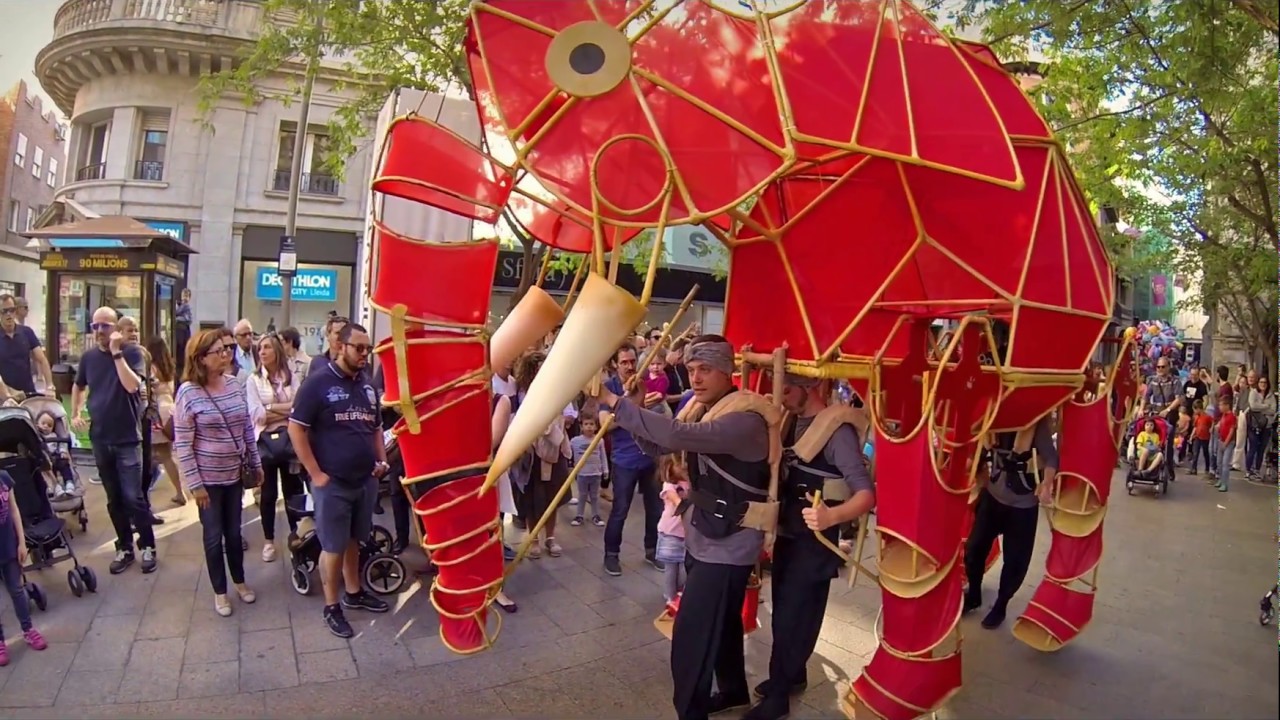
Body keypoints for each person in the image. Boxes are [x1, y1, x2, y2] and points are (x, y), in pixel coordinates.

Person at [597, 335, 775, 720]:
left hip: (731, 540)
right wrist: (635, 403)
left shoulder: (745, 420)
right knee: (724, 621)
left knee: (692, 635)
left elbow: (677, 436)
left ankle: (690, 712)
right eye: (691, 369)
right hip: (706, 532)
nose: (695, 378)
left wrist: (614, 404)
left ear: (728, 371)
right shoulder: (703, 407)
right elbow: (662, 448)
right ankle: (732, 692)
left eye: (705, 369)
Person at [747, 374, 875, 720]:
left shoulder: (837, 431)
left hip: (815, 540)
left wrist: (831, 516)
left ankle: (778, 695)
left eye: (787, 389)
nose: (782, 397)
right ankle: (792, 674)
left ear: (810, 387)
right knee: (786, 611)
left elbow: (865, 493)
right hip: (789, 532)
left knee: (794, 617)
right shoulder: (790, 420)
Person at [289, 322, 391, 638]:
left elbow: (375, 427)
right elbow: (296, 428)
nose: (365, 354)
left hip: (365, 481)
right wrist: (316, 473)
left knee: (352, 541)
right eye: (358, 348)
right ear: (340, 346)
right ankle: (331, 606)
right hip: (332, 484)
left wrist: (382, 460)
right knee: (332, 547)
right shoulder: (317, 384)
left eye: (368, 349)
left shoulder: (367, 386)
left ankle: (354, 592)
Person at [174, 330, 263, 616]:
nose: (226, 355)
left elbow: (247, 427)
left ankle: (240, 581)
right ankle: (220, 591)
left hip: (235, 475)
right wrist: (194, 484)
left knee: (234, 534)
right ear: (200, 358)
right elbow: (184, 444)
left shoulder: (235, 384)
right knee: (213, 536)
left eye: (228, 349)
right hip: (207, 482)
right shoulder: (188, 392)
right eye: (219, 351)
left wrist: (255, 461)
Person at [71, 307, 157, 575]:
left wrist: (117, 352)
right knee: (114, 498)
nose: (98, 332)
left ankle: (148, 546)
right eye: (94, 326)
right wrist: (75, 412)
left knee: (134, 496)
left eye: (104, 326)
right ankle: (125, 547)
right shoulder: (89, 358)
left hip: (128, 438)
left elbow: (133, 386)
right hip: (101, 437)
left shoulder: (132, 353)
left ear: (116, 329)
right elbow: (78, 384)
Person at [963, 416, 1057, 629]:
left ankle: (1001, 604)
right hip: (993, 497)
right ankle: (974, 594)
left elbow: (1051, 458)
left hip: (1022, 506)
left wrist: (1047, 484)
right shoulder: (994, 414)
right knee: (973, 549)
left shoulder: (1036, 421)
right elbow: (977, 450)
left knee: (1015, 563)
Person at [496, 351, 571, 559]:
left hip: (553, 451)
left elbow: (569, 413)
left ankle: (550, 537)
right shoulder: (520, 391)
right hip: (531, 452)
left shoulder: (557, 390)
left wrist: (558, 428)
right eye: (537, 370)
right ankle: (534, 539)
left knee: (552, 495)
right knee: (532, 496)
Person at [600, 344, 665, 577]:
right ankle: (611, 555)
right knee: (620, 510)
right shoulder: (609, 387)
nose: (629, 366)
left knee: (655, 508)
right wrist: (633, 406)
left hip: (649, 457)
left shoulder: (646, 381)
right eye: (624, 362)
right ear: (615, 364)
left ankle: (652, 551)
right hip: (624, 460)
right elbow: (605, 424)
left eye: (632, 361)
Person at [246, 333, 305, 562]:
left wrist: (269, 406)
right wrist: (282, 409)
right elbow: (256, 415)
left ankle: (297, 536)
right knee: (268, 494)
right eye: (260, 348)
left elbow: (298, 408)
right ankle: (269, 541)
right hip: (265, 443)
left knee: (293, 491)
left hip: (290, 442)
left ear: (277, 351)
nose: (262, 352)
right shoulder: (253, 380)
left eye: (267, 347)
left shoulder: (291, 377)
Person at [0, 469, 48, 665]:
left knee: (17, 590)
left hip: (8, 545)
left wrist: (22, 542)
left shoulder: (3, 477)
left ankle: (28, 629)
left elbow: (14, 509)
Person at [370, 359, 413, 554]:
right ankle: (401, 537)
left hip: (422, 434)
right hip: (397, 436)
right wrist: (393, 402)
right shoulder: (389, 363)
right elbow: (377, 393)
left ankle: (430, 539)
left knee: (423, 492)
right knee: (397, 491)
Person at [145, 337, 185, 506]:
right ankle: (179, 491)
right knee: (166, 455)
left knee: (157, 455)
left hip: (157, 412)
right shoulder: (168, 367)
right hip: (170, 410)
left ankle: (176, 492)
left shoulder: (151, 368)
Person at [0, 294, 55, 399]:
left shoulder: (26, 332)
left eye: (11, 310)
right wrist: (9, 393)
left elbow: (42, 359)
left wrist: (50, 385)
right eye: (4, 311)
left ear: (16, 311)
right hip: (4, 396)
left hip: (28, 393)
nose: (9, 314)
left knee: (46, 415)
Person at [656, 455, 689, 603]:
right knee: (671, 567)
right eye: (679, 465)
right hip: (670, 532)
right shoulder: (669, 485)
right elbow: (675, 500)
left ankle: (681, 594)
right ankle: (670, 597)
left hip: (687, 533)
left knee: (684, 568)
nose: (684, 467)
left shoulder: (690, 482)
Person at [569, 414, 608, 528]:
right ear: (581, 426)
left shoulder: (599, 440)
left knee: (595, 496)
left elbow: (603, 456)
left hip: (596, 473)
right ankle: (579, 515)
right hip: (582, 473)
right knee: (582, 495)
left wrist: (605, 470)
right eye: (586, 424)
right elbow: (568, 451)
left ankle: (595, 515)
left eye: (592, 424)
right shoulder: (575, 441)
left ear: (596, 426)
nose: (589, 427)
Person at [36, 412, 77, 499]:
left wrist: (63, 451)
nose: (46, 426)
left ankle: (69, 483)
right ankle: (56, 487)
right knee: (48, 469)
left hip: (57, 455)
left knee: (65, 465)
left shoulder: (54, 435)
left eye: (49, 425)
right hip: (45, 458)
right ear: (37, 424)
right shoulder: (38, 436)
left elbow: (62, 443)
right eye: (43, 423)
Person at [1246, 376, 1276, 481]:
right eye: (1261, 382)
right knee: (1253, 447)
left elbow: (1273, 410)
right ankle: (1248, 470)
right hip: (1254, 425)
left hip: (1266, 426)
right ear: (1258, 383)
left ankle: (1257, 470)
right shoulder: (1253, 393)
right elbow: (1253, 406)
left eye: (1265, 382)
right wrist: (1265, 406)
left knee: (1261, 449)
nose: (1263, 384)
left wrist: (1261, 409)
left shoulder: (1271, 395)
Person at [1213, 394, 1239, 493]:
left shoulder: (1232, 417)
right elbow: (1221, 424)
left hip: (1228, 442)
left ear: (1227, 405)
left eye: (1221, 405)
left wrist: (1226, 442)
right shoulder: (1224, 415)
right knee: (1219, 462)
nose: (1219, 407)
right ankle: (1220, 479)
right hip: (1221, 440)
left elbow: (1232, 431)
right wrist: (1217, 427)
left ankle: (1225, 483)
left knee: (1225, 463)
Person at [1189, 400, 1212, 475]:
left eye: (1195, 410)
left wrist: (1211, 429)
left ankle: (1207, 468)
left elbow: (1212, 423)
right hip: (1197, 437)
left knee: (1206, 453)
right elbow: (1195, 427)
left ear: (1198, 409)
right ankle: (1193, 469)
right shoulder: (1197, 417)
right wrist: (1191, 436)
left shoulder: (1207, 417)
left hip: (1205, 438)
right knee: (1195, 453)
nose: (1194, 411)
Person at [174, 288, 192, 378]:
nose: (185, 298)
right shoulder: (178, 305)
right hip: (178, 333)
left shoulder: (186, 306)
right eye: (184, 295)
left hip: (183, 333)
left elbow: (188, 319)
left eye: (187, 296)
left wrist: (177, 319)